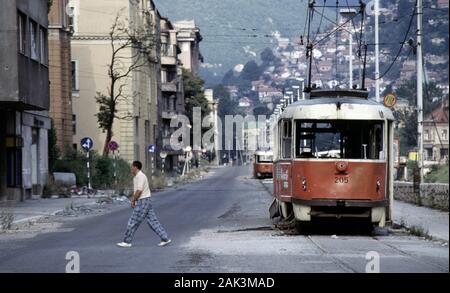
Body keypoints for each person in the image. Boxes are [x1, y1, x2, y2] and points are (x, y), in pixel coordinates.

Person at [117, 161, 171, 248]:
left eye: (132, 167)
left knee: (133, 221)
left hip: (143, 201)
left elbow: (139, 190)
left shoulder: (140, 176)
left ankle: (127, 241)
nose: (131, 169)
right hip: (145, 200)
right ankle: (165, 238)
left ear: (135, 167)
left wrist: (133, 200)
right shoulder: (136, 177)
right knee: (152, 221)